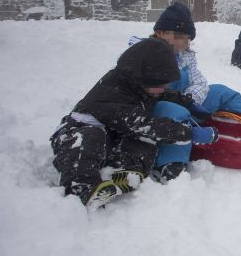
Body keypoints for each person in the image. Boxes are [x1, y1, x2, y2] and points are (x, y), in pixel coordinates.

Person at [50, 38, 219, 209]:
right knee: (89, 140)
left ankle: (122, 172)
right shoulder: (112, 91)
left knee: (145, 144)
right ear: (143, 77)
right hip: (81, 131)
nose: (163, 88)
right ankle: (81, 186)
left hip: (116, 132)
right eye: (160, 84)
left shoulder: (141, 85)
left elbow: (163, 94)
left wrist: (188, 103)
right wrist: (189, 133)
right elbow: (144, 124)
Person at [132, 2, 241, 183]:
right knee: (176, 112)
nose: (183, 42)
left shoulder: (185, 56)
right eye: (177, 36)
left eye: (187, 38)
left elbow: (199, 82)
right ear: (159, 33)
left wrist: (189, 98)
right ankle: (171, 163)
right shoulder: (143, 53)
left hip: (186, 102)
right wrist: (179, 103)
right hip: (157, 111)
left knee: (222, 92)